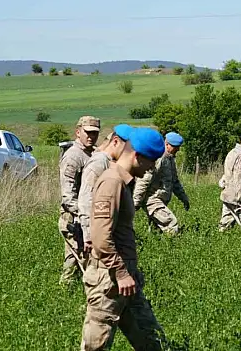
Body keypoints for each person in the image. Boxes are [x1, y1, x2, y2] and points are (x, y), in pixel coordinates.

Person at [80, 127, 168, 350]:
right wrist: (120, 272)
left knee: (149, 337)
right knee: (96, 344)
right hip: (108, 281)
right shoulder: (112, 182)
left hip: (126, 279)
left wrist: (130, 273)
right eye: (151, 162)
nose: (152, 169)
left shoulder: (124, 182)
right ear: (137, 156)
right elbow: (100, 237)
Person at [78, 124, 133, 258]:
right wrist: (89, 235)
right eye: (126, 148)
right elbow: (86, 198)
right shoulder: (99, 162)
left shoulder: (111, 163)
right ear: (115, 141)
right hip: (95, 233)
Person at [58, 115, 100, 285]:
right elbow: (67, 195)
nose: (91, 136)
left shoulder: (93, 153)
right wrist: (86, 213)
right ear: (78, 132)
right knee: (82, 259)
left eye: (94, 133)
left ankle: (67, 290)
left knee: (76, 259)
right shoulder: (73, 156)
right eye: (87, 132)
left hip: (86, 217)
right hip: (74, 218)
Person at [133, 132, 190, 235]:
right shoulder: (159, 158)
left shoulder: (170, 158)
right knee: (171, 224)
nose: (178, 149)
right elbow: (144, 180)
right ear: (167, 144)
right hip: (152, 200)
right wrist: (136, 201)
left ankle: (152, 247)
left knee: (156, 232)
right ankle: (175, 248)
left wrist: (184, 198)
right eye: (175, 147)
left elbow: (175, 182)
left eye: (178, 147)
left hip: (161, 199)